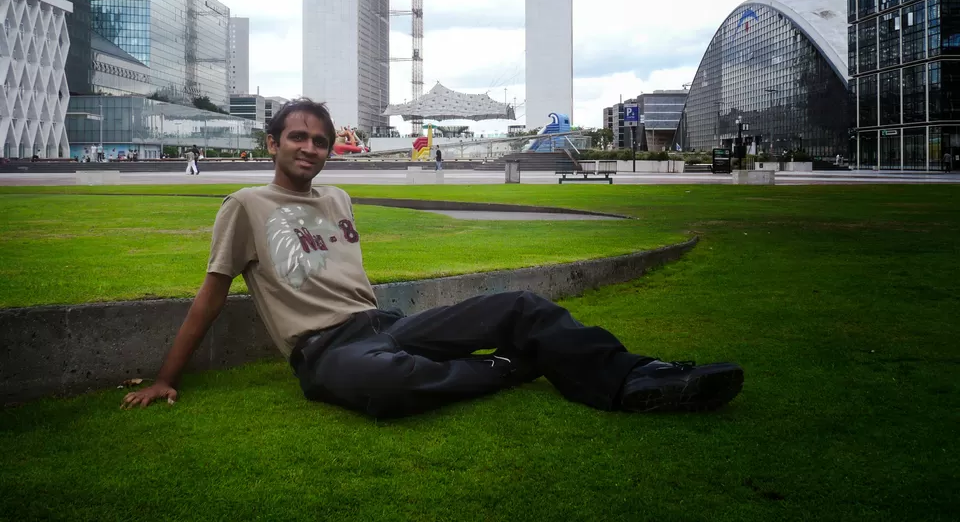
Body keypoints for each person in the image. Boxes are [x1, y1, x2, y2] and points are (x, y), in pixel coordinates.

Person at [122, 98, 743, 418]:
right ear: (274, 144)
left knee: (521, 305)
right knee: (386, 385)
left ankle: (638, 379)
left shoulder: (338, 196)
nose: (310, 148)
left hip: (384, 325)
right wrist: (165, 378)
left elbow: (349, 281)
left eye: (320, 139)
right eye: (298, 138)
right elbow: (211, 295)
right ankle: (512, 369)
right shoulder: (245, 205)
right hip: (326, 351)